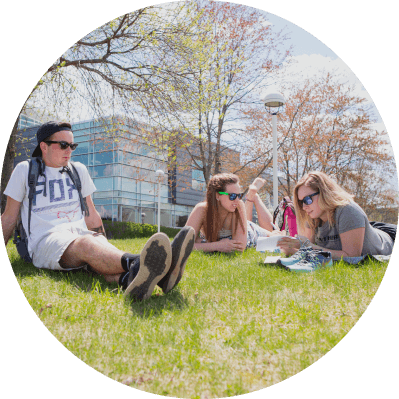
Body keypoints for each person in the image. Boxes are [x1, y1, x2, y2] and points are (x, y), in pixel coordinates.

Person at [1, 121, 195, 300]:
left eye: (72, 146)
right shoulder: (25, 170)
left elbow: (91, 215)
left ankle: (138, 279)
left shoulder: (78, 170)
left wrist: (104, 249)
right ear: (44, 146)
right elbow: (9, 217)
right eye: (63, 145)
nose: (69, 150)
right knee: (86, 244)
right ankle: (142, 263)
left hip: (80, 235)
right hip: (45, 242)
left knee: (95, 249)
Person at [277, 171, 396, 259]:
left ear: (324, 193)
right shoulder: (311, 215)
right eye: (301, 201)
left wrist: (305, 246)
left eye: (308, 199)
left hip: (389, 240)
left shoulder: (348, 211)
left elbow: (351, 256)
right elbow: (310, 250)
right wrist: (292, 249)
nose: (304, 206)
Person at [185, 173, 284, 253]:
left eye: (239, 195)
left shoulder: (238, 205)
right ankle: (252, 196)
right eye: (232, 196)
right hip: (241, 227)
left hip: (251, 232)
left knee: (276, 236)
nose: (237, 200)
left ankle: (253, 197)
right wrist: (217, 246)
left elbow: (239, 247)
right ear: (217, 196)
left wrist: (203, 244)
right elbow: (183, 244)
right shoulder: (201, 209)